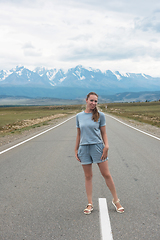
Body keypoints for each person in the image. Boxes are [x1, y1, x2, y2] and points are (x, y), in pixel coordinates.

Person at [75, 92, 124, 214]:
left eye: (96, 101)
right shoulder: (79, 116)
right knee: (88, 176)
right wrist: (76, 149)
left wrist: (106, 146)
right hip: (84, 148)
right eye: (91, 100)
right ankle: (90, 204)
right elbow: (79, 134)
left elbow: (104, 133)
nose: (93, 103)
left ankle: (116, 201)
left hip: (97, 147)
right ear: (86, 100)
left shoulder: (100, 115)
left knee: (106, 174)